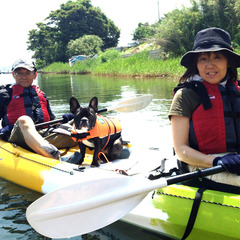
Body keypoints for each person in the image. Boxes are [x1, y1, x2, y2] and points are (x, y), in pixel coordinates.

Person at [169, 27, 240, 187]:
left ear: (228, 61)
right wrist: (217, 160)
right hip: (201, 165)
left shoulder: (237, 91)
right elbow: (181, 150)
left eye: (217, 57)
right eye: (203, 59)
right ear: (196, 63)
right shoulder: (186, 96)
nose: (210, 65)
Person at [0, 59, 75, 159]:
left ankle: (98, 149)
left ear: (35, 75)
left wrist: (68, 120)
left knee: (81, 119)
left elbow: (51, 121)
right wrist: (6, 130)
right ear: (13, 74)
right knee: (24, 119)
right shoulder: (4, 94)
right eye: (19, 73)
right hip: (18, 137)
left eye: (28, 73)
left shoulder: (42, 95)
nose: (23, 77)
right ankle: (56, 157)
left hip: (43, 134)